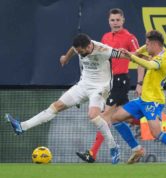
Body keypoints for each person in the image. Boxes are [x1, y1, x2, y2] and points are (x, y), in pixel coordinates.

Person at [5, 33, 122, 164]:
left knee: (93, 115)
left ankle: (113, 147)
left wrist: (139, 57)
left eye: (81, 51)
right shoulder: (79, 47)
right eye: (78, 51)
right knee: (56, 106)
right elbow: (73, 48)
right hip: (83, 85)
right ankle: (22, 127)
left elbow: (125, 55)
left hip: (100, 87)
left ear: (89, 46)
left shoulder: (103, 50)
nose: (80, 53)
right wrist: (66, 58)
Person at [110, 30, 166, 165]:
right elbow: (136, 54)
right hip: (143, 99)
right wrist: (126, 54)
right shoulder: (151, 48)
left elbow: (149, 64)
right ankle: (137, 149)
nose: (146, 46)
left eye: (147, 44)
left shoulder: (164, 59)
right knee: (115, 118)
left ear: (155, 44)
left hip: (153, 101)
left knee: (156, 133)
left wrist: (131, 57)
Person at [76, 8, 145, 164]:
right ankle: (141, 139)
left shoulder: (130, 38)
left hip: (120, 81)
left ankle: (92, 153)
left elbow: (141, 60)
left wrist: (140, 83)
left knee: (104, 117)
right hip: (107, 81)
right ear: (109, 21)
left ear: (123, 20)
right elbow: (97, 62)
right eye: (112, 20)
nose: (115, 23)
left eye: (118, 20)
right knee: (117, 118)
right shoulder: (105, 37)